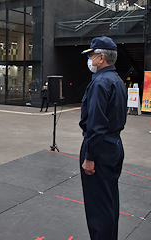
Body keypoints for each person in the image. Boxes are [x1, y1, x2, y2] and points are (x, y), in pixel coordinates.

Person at [80, 36, 127, 240]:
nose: (90, 60)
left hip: (99, 148)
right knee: (108, 202)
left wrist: (90, 156)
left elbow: (96, 124)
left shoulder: (100, 82)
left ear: (101, 57)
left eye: (91, 55)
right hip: (114, 144)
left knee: (97, 206)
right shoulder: (117, 80)